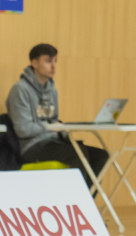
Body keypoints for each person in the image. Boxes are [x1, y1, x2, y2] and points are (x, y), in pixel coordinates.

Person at [6, 43, 109, 189]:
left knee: (101, 156)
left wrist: (66, 133)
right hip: (32, 146)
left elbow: (54, 121)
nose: (53, 66)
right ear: (34, 63)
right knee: (79, 154)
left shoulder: (51, 90)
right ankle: (78, 202)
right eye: (48, 61)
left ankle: (87, 199)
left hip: (53, 142)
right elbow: (23, 129)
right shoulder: (20, 89)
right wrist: (50, 127)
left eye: (55, 61)